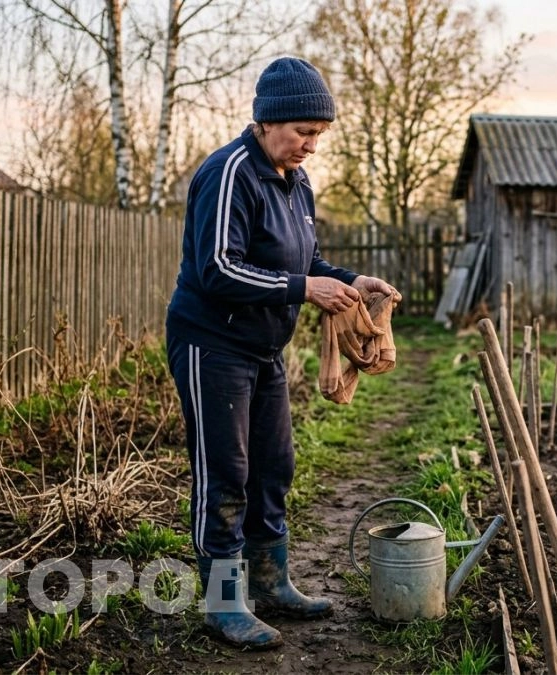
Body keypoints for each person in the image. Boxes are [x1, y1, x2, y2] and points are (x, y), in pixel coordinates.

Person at [165, 56, 397, 650]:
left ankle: (270, 583)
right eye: (303, 133)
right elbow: (218, 269)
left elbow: (304, 263)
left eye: (318, 135)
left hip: (264, 347)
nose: (311, 147)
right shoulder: (230, 173)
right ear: (267, 121)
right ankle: (223, 604)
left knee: (274, 468)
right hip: (211, 343)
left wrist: (348, 282)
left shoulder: (296, 182)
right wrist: (303, 289)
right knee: (227, 475)